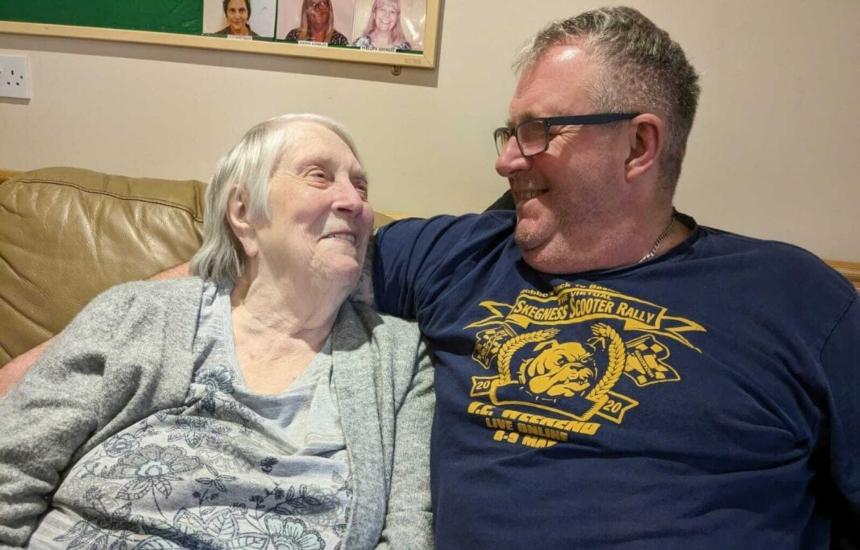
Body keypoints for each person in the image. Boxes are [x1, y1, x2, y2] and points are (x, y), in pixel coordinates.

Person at [369, 6, 859, 549]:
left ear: (638, 146)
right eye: (509, 132)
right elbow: (293, 262)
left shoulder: (794, 298)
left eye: (537, 131)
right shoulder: (454, 257)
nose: (506, 162)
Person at [0, 114, 434, 549]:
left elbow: (409, 532)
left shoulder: (397, 359)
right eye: (319, 176)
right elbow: (11, 469)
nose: (354, 202)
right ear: (243, 213)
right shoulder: (136, 313)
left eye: (360, 187)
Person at [284, 0, 349, 46]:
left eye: (323, 3)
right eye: (312, 3)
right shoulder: (293, 37)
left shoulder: (340, 41)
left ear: (329, 10)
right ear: (305, 10)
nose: (317, 8)